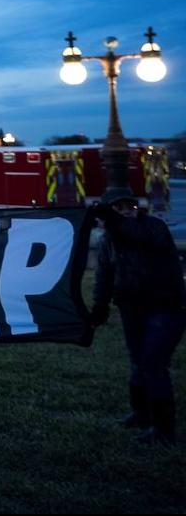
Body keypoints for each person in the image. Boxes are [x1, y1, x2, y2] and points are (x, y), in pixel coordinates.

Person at [88, 187, 186, 445]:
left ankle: (164, 430)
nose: (125, 212)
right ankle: (141, 415)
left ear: (135, 208)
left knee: (153, 364)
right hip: (132, 309)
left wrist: (111, 219)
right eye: (117, 208)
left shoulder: (153, 227)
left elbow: (136, 236)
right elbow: (104, 275)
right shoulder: (108, 240)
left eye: (128, 207)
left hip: (165, 308)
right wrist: (100, 305)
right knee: (137, 363)